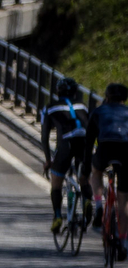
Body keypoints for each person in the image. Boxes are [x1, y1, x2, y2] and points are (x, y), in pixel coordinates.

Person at [43, 92, 91, 228]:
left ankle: (57, 216)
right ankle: (87, 200)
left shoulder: (50, 107)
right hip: (84, 143)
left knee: (56, 183)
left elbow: (44, 137)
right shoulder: (82, 105)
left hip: (66, 145)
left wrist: (48, 161)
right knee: (83, 178)